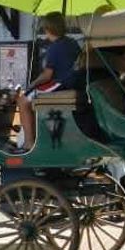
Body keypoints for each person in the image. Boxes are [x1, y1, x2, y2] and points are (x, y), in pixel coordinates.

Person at [15, 12, 80, 150]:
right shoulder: (72, 43)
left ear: (48, 29)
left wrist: (31, 85)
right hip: (73, 81)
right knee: (30, 97)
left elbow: (47, 75)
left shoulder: (54, 48)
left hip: (61, 83)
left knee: (22, 100)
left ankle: (29, 142)